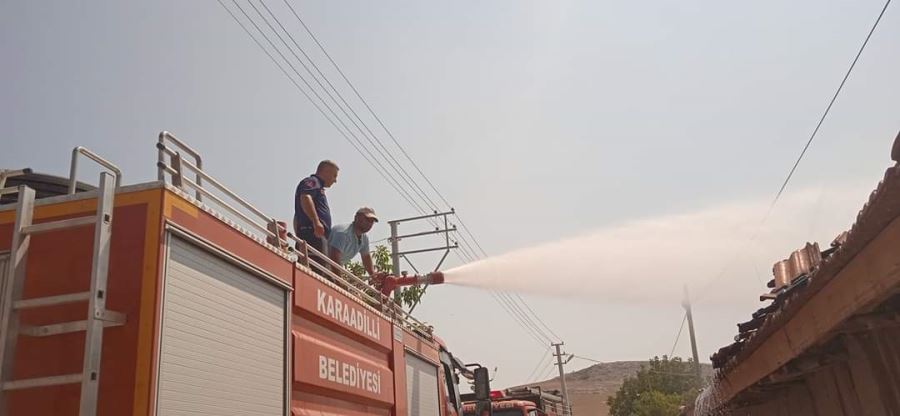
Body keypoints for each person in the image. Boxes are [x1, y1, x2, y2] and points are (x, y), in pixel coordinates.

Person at [294, 160, 339, 255]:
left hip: (317, 236)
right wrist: (316, 222)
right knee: (315, 267)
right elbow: (305, 197)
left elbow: (297, 214)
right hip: (313, 235)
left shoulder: (319, 187)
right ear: (326, 171)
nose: (335, 180)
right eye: (334, 175)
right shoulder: (313, 182)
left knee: (319, 268)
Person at [328, 207, 379, 277]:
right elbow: (334, 257)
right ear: (356, 217)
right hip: (323, 265)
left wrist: (373, 275)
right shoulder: (343, 233)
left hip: (333, 270)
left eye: (372, 222)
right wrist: (339, 281)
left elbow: (366, 257)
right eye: (367, 219)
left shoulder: (364, 238)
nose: (369, 224)